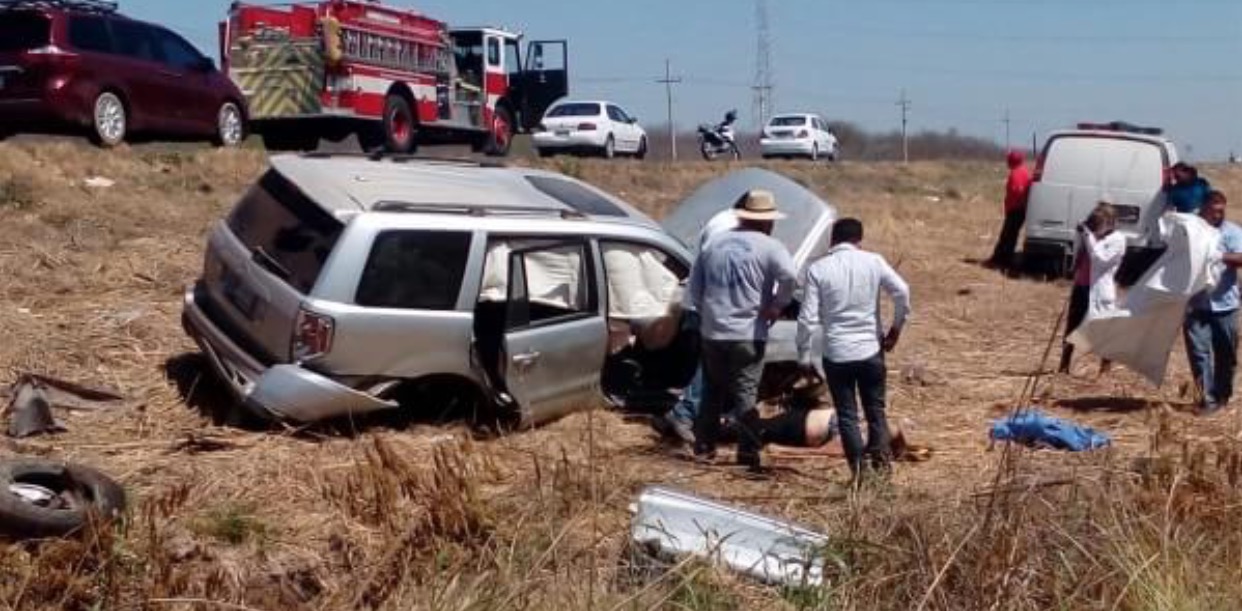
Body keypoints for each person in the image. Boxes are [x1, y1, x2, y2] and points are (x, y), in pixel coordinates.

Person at [687, 190, 798, 469]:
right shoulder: (771, 247)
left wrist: (709, 314)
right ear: (766, 221)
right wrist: (777, 306)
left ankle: (704, 447)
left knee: (712, 391)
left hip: (713, 332)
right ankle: (747, 453)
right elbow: (790, 277)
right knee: (746, 394)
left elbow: (695, 288)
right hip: (748, 331)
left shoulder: (714, 245)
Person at [795, 218, 911, 481]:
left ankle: (860, 474)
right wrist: (896, 329)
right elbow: (902, 291)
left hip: (836, 353)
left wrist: (803, 355)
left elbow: (807, 318)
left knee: (847, 416)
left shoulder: (818, 269)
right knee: (875, 411)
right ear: (859, 240)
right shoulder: (873, 261)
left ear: (832, 240)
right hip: (870, 349)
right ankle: (882, 470)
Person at [657, 195, 747, 444]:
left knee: (706, 365)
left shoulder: (721, 220)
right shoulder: (730, 227)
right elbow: (725, 268)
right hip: (713, 306)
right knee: (712, 367)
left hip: (702, 303)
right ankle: (683, 413)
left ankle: (692, 414)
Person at [1185, 191, 1242, 413]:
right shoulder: (1193, 230)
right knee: (1199, 354)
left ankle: (1222, 394)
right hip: (1196, 305)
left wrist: (1219, 256)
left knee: (1226, 354)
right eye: (1214, 210)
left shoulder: (1232, 232)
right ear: (1204, 208)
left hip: (1225, 305)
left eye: (1222, 210)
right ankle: (1207, 400)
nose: (1219, 214)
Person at [1058, 202, 1126, 374]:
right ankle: (1064, 365)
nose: (1095, 228)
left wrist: (1088, 236)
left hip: (1099, 290)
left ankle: (1105, 367)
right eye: (1093, 224)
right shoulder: (1091, 235)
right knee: (1072, 326)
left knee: (1104, 329)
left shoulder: (1117, 239)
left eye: (1098, 224)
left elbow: (1100, 259)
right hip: (1081, 285)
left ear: (1110, 223)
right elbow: (1080, 253)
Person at [987, 150, 1033, 271]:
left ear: (1012, 161)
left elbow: (1018, 190)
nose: (1007, 162)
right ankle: (1000, 259)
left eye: (1008, 159)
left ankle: (1002, 261)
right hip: (1019, 209)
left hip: (1016, 210)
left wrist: (1017, 203)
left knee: (1008, 236)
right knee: (1008, 235)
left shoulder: (1016, 173)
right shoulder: (1024, 172)